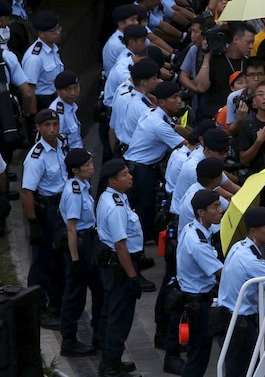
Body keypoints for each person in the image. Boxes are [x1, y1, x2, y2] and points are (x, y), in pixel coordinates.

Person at [96, 158, 145, 377]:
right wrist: (133, 276)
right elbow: (120, 245)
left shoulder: (118, 198)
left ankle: (112, 358)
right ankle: (110, 365)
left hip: (118, 265)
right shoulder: (114, 206)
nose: (130, 176)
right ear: (113, 181)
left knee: (113, 313)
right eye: (125, 174)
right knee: (119, 316)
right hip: (120, 267)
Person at [124, 81, 188, 242]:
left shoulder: (156, 114)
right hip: (141, 169)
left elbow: (175, 128)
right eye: (174, 97)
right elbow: (186, 146)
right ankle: (142, 242)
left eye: (179, 96)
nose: (179, 100)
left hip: (141, 165)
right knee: (144, 207)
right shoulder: (159, 124)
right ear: (161, 102)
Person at [22, 108, 68, 329]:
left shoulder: (61, 146)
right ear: (38, 128)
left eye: (55, 124)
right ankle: (39, 308)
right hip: (46, 209)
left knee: (59, 258)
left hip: (61, 207)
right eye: (47, 126)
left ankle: (56, 303)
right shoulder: (36, 156)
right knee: (43, 260)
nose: (52, 129)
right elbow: (27, 192)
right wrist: (33, 224)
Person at [217, 206, 265, 376]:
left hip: (229, 317)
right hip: (240, 324)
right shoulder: (251, 261)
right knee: (242, 370)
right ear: (254, 232)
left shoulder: (239, 246)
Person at [176, 189, 224, 377]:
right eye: (215, 207)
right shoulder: (198, 242)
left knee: (198, 352)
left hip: (195, 297)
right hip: (198, 302)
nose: (220, 210)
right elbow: (221, 273)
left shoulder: (195, 228)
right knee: (199, 354)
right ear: (201, 213)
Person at [58, 148, 101, 357]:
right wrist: (75, 260)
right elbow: (71, 228)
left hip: (88, 241)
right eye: (87, 165)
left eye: (91, 163)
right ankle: (69, 340)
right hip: (80, 245)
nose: (91, 167)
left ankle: (98, 334)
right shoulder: (74, 191)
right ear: (75, 170)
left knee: (97, 289)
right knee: (75, 295)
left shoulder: (83, 185)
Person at [23, 11, 64, 109]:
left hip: (55, 98)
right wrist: (33, 116)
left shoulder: (54, 48)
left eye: (58, 28)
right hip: (42, 102)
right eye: (53, 30)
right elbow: (29, 91)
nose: (57, 32)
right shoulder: (35, 58)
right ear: (41, 34)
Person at [50, 70, 83, 149]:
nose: (72, 93)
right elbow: (56, 142)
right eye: (67, 89)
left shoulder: (71, 105)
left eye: (75, 88)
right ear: (58, 91)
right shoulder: (57, 112)